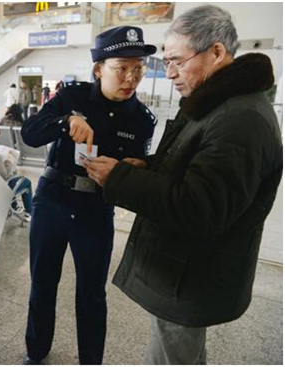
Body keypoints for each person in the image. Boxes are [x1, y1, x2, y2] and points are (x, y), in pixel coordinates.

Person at [82, 5, 283, 364]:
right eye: (165, 62)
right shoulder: (217, 103)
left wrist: (120, 178)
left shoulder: (240, 119)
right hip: (184, 266)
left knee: (172, 355)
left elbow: (199, 208)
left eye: (177, 61)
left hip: (194, 273)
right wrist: (150, 166)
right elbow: (197, 168)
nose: (170, 72)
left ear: (217, 52)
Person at [21, 26, 157, 365]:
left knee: (92, 294)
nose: (131, 78)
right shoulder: (72, 97)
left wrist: (129, 173)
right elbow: (30, 134)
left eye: (138, 68)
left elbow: (137, 169)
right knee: (42, 283)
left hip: (96, 210)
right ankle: (36, 353)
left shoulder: (142, 120)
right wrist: (65, 121)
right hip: (52, 200)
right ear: (99, 69)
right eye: (121, 68)